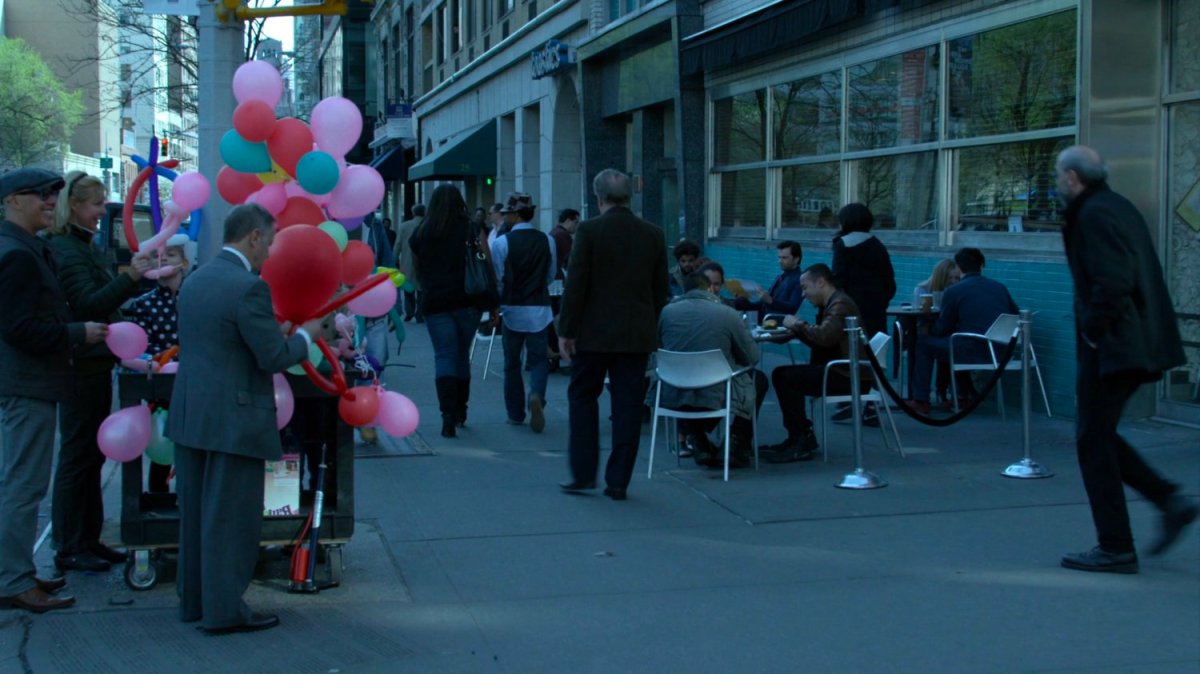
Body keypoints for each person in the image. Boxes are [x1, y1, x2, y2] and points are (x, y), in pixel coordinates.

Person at [165, 203, 320, 634]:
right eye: (269, 242)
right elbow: (273, 355)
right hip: (233, 418)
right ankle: (225, 611)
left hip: (192, 413)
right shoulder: (248, 287)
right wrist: (309, 334)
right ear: (253, 237)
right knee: (231, 519)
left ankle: (195, 602)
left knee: (195, 517)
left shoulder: (195, 280)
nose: (270, 253)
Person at [1055, 145, 1195, 573]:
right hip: (1132, 341)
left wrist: (1093, 331)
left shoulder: (1094, 214)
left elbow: (1113, 279)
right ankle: (1168, 500)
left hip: (1116, 344)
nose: (1058, 184)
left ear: (1074, 178)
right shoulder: (1115, 206)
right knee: (1099, 435)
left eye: (1060, 177)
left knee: (1092, 440)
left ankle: (1116, 545)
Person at [0, 167, 106, 613]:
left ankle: (17, 572)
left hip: (32, 384)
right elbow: (21, 329)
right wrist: (77, 332)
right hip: (27, 385)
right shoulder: (17, 255)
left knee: (25, 483)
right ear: (11, 202)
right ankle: (12, 581)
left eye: (51, 194)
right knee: (23, 486)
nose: (48, 200)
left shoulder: (26, 249)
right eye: (38, 194)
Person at [47, 171, 153, 574]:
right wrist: (129, 279)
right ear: (74, 205)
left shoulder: (81, 247)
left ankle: (85, 539)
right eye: (95, 204)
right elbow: (88, 303)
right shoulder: (68, 251)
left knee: (88, 456)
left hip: (92, 363)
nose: (100, 212)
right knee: (78, 455)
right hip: (81, 366)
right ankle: (71, 544)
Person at [558, 169, 669, 501]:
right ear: (629, 198)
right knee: (628, 406)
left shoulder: (589, 231)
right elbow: (660, 289)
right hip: (635, 336)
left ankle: (583, 473)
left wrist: (567, 330)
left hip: (592, 334)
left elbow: (576, 284)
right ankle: (618, 480)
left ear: (599, 197)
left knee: (582, 397)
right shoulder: (653, 234)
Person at [658, 270, 767, 469]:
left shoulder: (667, 313)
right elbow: (753, 358)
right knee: (756, 380)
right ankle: (734, 443)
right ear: (709, 288)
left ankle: (699, 440)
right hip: (717, 391)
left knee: (693, 382)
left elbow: (658, 348)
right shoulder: (727, 314)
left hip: (674, 392)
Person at [760, 264, 867, 463]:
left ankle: (800, 438)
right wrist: (796, 330)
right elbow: (824, 338)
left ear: (821, 282)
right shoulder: (832, 303)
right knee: (784, 375)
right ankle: (799, 436)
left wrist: (798, 325)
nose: (803, 294)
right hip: (840, 370)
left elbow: (824, 336)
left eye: (805, 287)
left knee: (785, 377)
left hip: (845, 375)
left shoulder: (839, 304)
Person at [409, 185, 485, 438]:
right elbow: (485, 263)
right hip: (467, 300)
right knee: (462, 354)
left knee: (444, 355)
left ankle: (447, 415)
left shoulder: (422, 233)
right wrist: (493, 300)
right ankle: (461, 408)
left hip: (436, 301)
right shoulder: (470, 229)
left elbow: (418, 269)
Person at [904, 248, 1018, 414]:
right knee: (954, 342)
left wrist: (930, 326)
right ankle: (961, 394)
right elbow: (1015, 317)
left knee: (924, 344)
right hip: (1001, 352)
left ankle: (921, 399)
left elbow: (943, 328)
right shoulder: (1000, 288)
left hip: (969, 351)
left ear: (958, 268)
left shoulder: (955, 291)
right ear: (982, 266)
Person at [126, 233, 193, 494]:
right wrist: (163, 361)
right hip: (162, 387)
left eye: (171, 254)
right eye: (157, 255)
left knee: (191, 447)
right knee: (162, 443)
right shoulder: (145, 303)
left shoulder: (196, 296)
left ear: (184, 263)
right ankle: (158, 496)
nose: (162, 258)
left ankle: (188, 498)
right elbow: (141, 345)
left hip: (193, 384)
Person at [490, 193, 556, 433]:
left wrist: (497, 304)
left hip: (512, 307)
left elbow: (498, 278)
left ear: (516, 215)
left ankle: (515, 413)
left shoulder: (502, 243)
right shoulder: (547, 240)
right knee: (539, 360)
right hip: (539, 307)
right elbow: (551, 273)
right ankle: (536, 394)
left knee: (511, 363)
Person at [831, 203, 895, 337]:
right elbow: (889, 282)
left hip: (851, 311)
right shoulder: (878, 245)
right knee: (875, 350)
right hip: (876, 309)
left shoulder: (842, 244)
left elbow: (838, 280)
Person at [733, 240, 805, 321]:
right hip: (766, 319)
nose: (780, 261)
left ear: (796, 259)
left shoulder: (800, 280)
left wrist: (770, 301)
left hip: (778, 323)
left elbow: (792, 308)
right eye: (779, 257)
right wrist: (746, 302)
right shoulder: (780, 277)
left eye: (784, 258)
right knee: (739, 302)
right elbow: (764, 303)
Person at [547, 208, 580, 372]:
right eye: (575, 222)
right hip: (560, 283)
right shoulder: (563, 236)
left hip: (555, 283)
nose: (576, 226)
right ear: (568, 220)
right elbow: (571, 260)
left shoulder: (554, 233)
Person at [394, 204, 425, 322]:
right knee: (422, 289)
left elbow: (397, 245)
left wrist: (394, 260)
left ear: (413, 213)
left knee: (408, 288)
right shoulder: (428, 224)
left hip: (407, 262)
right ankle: (420, 313)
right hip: (424, 262)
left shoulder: (404, 226)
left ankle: (409, 311)